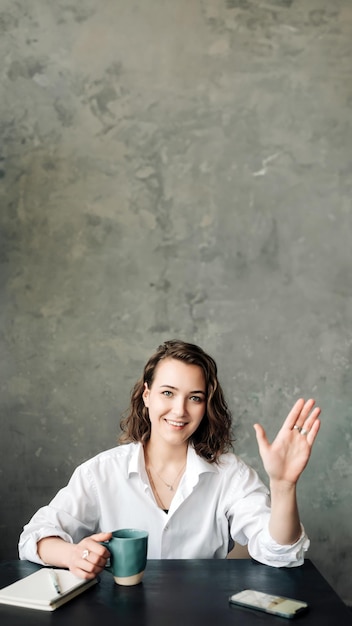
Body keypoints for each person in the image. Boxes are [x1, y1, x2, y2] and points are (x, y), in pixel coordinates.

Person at [19, 339, 321, 580]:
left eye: (195, 397)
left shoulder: (230, 474)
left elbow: (280, 553)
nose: (179, 411)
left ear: (205, 406)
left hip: (203, 613)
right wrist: (73, 556)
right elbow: (34, 537)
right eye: (168, 393)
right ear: (146, 395)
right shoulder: (101, 472)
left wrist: (283, 485)